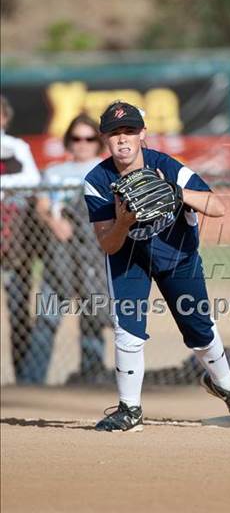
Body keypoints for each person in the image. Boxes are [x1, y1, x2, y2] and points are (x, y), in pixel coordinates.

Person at [84, 101, 230, 432]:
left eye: (130, 131)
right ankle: (129, 409)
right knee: (127, 330)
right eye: (114, 133)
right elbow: (107, 243)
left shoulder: (168, 166)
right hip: (128, 258)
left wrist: (176, 192)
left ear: (143, 134)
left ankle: (226, 386)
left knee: (200, 331)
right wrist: (122, 223)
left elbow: (218, 207)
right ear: (105, 139)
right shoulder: (96, 180)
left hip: (177, 256)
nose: (123, 140)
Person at [22, 114, 113, 384]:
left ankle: (91, 375)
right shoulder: (54, 172)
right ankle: (31, 383)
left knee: (93, 318)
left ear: (97, 142)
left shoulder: (107, 170)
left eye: (88, 138)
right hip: (59, 257)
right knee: (47, 320)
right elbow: (41, 207)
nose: (82, 144)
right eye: (76, 138)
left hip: (92, 258)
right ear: (68, 142)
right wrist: (54, 222)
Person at [1, 94, 41, 382]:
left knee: (17, 306)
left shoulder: (15, 148)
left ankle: (22, 377)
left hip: (13, 239)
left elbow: (32, 181)